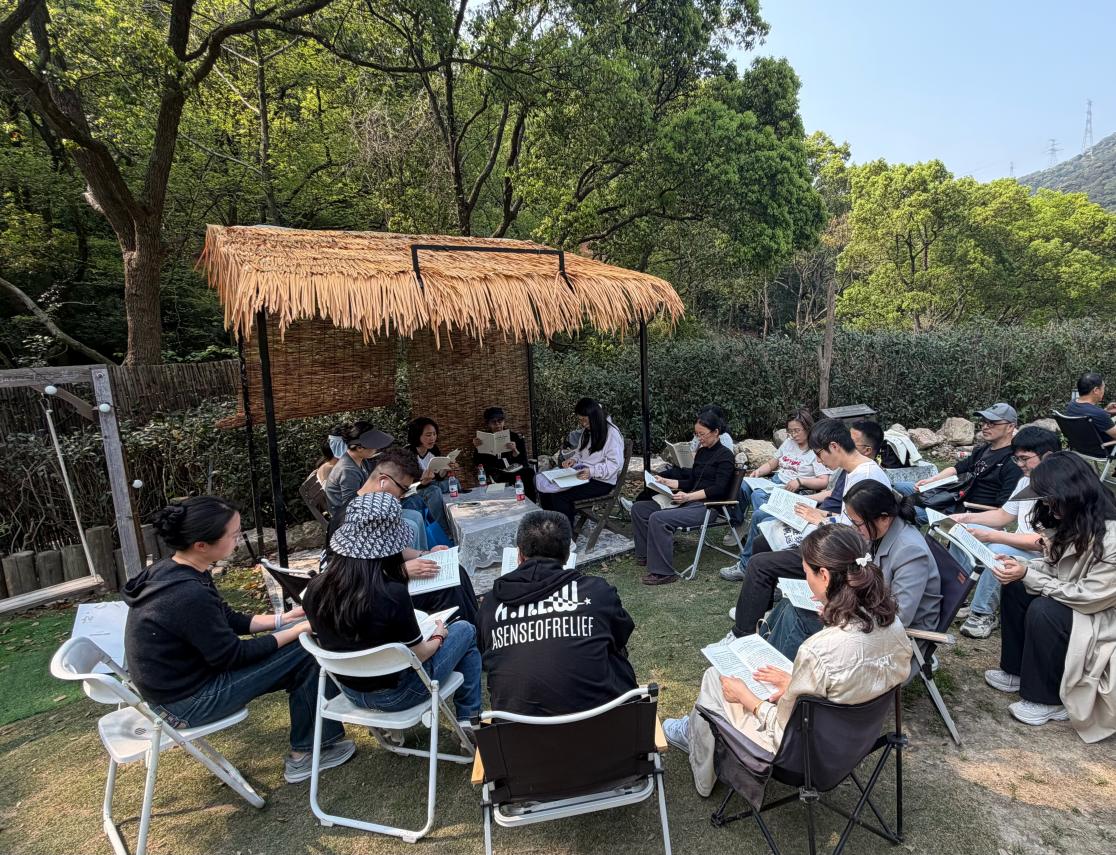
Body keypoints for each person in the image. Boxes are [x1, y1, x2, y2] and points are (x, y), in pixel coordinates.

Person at [661, 525, 911, 796]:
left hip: (802, 758)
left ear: (824, 576)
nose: (807, 581)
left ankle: (701, 767)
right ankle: (696, 735)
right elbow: (853, 684)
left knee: (715, 677)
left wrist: (748, 698)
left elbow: (780, 730)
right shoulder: (894, 627)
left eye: (806, 574)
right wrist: (794, 684)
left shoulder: (820, 649)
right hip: (855, 743)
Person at [122, 496, 355, 784]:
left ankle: (314, 745)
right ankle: (306, 755)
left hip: (177, 692)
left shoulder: (175, 569)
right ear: (201, 545)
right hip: (186, 704)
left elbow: (227, 618)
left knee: (302, 646)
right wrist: (298, 631)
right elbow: (233, 656)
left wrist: (285, 619)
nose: (238, 539)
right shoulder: (186, 594)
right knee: (307, 650)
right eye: (233, 535)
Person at [302, 491, 483, 729]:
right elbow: (421, 654)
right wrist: (439, 635)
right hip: (400, 693)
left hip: (351, 692)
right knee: (466, 630)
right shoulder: (390, 593)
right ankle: (469, 719)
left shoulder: (315, 588)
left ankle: (465, 720)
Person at [984, 452, 1116, 739]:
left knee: (1045, 610)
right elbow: (1057, 568)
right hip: (1083, 604)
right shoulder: (1078, 520)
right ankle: (1015, 670)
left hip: (1102, 617)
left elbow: (1089, 596)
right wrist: (1022, 567)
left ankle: (1047, 699)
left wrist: (1029, 574)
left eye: (1049, 498)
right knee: (1017, 585)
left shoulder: (1112, 537)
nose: (1045, 505)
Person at [721, 418, 891, 626]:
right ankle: (761, 608)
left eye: (818, 454)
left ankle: (743, 632)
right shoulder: (854, 471)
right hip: (837, 540)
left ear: (834, 447)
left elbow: (857, 532)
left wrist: (820, 521)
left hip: (842, 555)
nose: (819, 461)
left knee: (759, 564)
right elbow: (850, 518)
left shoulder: (865, 476)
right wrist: (821, 515)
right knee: (762, 542)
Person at [476, 511, 637, 715]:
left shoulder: (490, 606)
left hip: (518, 732)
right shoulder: (597, 592)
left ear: (519, 555)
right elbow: (622, 634)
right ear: (567, 555)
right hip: (606, 726)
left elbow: (486, 658)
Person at [764, 480, 941, 663]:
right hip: (870, 613)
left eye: (857, 523)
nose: (855, 529)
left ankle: (779, 671)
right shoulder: (880, 532)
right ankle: (761, 656)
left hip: (896, 636)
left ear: (884, 518)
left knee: (799, 616)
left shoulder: (910, 551)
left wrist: (842, 610)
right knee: (792, 603)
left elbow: (900, 617)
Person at [326, 449, 480, 626]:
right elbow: (352, 577)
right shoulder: (350, 517)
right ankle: (462, 632)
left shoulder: (381, 507)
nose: (402, 497)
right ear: (383, 481)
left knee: (456, 571)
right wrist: (401, 571)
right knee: (447, 589)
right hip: (369, 596)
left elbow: (390, 546)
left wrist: (424, 554)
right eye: (403, 489)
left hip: (388, 579)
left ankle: (477, 629)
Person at [952, 426, 1062, 640]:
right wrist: (965, 518)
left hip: (1044, 554)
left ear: (1047, 456)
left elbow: (1045, 542)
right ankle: (959, 597)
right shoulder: (1025, 480)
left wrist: (993, 536)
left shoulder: (1060, 487)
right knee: (959, 532)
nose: (1019, 464)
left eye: (1025, 459)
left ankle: (983, 613)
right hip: (1020, 542)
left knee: (998, 550)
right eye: (1016, 459)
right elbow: (1004, 515)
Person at [718, 411, 830, 581]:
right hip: (776, 482)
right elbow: (773, 463)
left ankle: (760, 535)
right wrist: (759, 471)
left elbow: (823, 481)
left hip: (796, 489)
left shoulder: (815, 450)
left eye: (797, 431)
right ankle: (739, 523)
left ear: (808, 428)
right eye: (790, 431)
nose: (793, 435)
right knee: (743, 484)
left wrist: (800, 481)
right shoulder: (789, 443)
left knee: (758, 498)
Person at [632, 408, 737, 585]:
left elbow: (718, 489)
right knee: (639, 508)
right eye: (696, 434)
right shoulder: (702, 452)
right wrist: (666, 482)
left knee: (658, 518)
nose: (699, 438)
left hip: (707, 507)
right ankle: (646, 555)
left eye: (702, 434)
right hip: (689, 500)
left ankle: (663, 572)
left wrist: (688, 497)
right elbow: (691, 481)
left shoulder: (726, 456)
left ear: (716, 432)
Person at [913, 403, 1023, 512]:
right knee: (905, 488)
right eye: (984, 422)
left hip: (971, 512)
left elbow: (1004, 509)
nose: (985, 427)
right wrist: (931, 481)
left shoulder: (1013, 461)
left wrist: (964, 517)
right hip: (956, 497)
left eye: (992, 423)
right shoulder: (983, 449)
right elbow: (957, 468)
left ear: (1010, 427)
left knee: (910, 510)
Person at [537, 397, 625, 527]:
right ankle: (552, 526)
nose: (583, 424)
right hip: (581, 474)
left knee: (559, 496)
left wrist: (591, 471)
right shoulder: (587, 432)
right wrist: (573, 460)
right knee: (545, 487)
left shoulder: (611, 433)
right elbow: (580, 452)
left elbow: (614, 465)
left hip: (601, 481)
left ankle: (564, 534)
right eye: (580, 420)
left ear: (594, 417)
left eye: (585, 420)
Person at [324, 422, 394, 516]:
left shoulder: (360, 460)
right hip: (346, 518)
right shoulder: (348, 470)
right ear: (360, 448)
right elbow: (351, 506)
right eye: (373, 445)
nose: (376, 449)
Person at [472, 406, 536, 500]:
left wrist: (514, 450)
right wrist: (478, 447)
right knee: (503, 476)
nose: (497, 424)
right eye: (493, 422)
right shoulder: (484, 439)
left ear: (504, 421)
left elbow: (523, 461)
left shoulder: (515, 437)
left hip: (514, 469)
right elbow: (477, 462)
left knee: (528, 472)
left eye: (500, 421)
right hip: (496, 472)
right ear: (488, 424)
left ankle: (531, 502)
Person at [405, 417, 453, 534]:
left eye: (434, 434)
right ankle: (444, 531)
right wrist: (422, 483)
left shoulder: (434, 450)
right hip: (414, 490)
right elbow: (406, 485)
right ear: (417, 436)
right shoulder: (407, 453)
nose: (432, 438)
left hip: (431, 483)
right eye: (428, 435)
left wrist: (446, 468)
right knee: (434, 490)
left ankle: (458, 518)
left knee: (453, 482)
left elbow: (439, 477)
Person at [1067, 372, 1116, 442]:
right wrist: (1104, 413)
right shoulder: (1099, 414)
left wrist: (1105, 411)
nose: (1103, 391)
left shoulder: (1072, 405)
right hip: (1104, 448)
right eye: (1103, 388)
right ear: (1096, 390)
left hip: (1080, 446)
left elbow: (1092, 415)